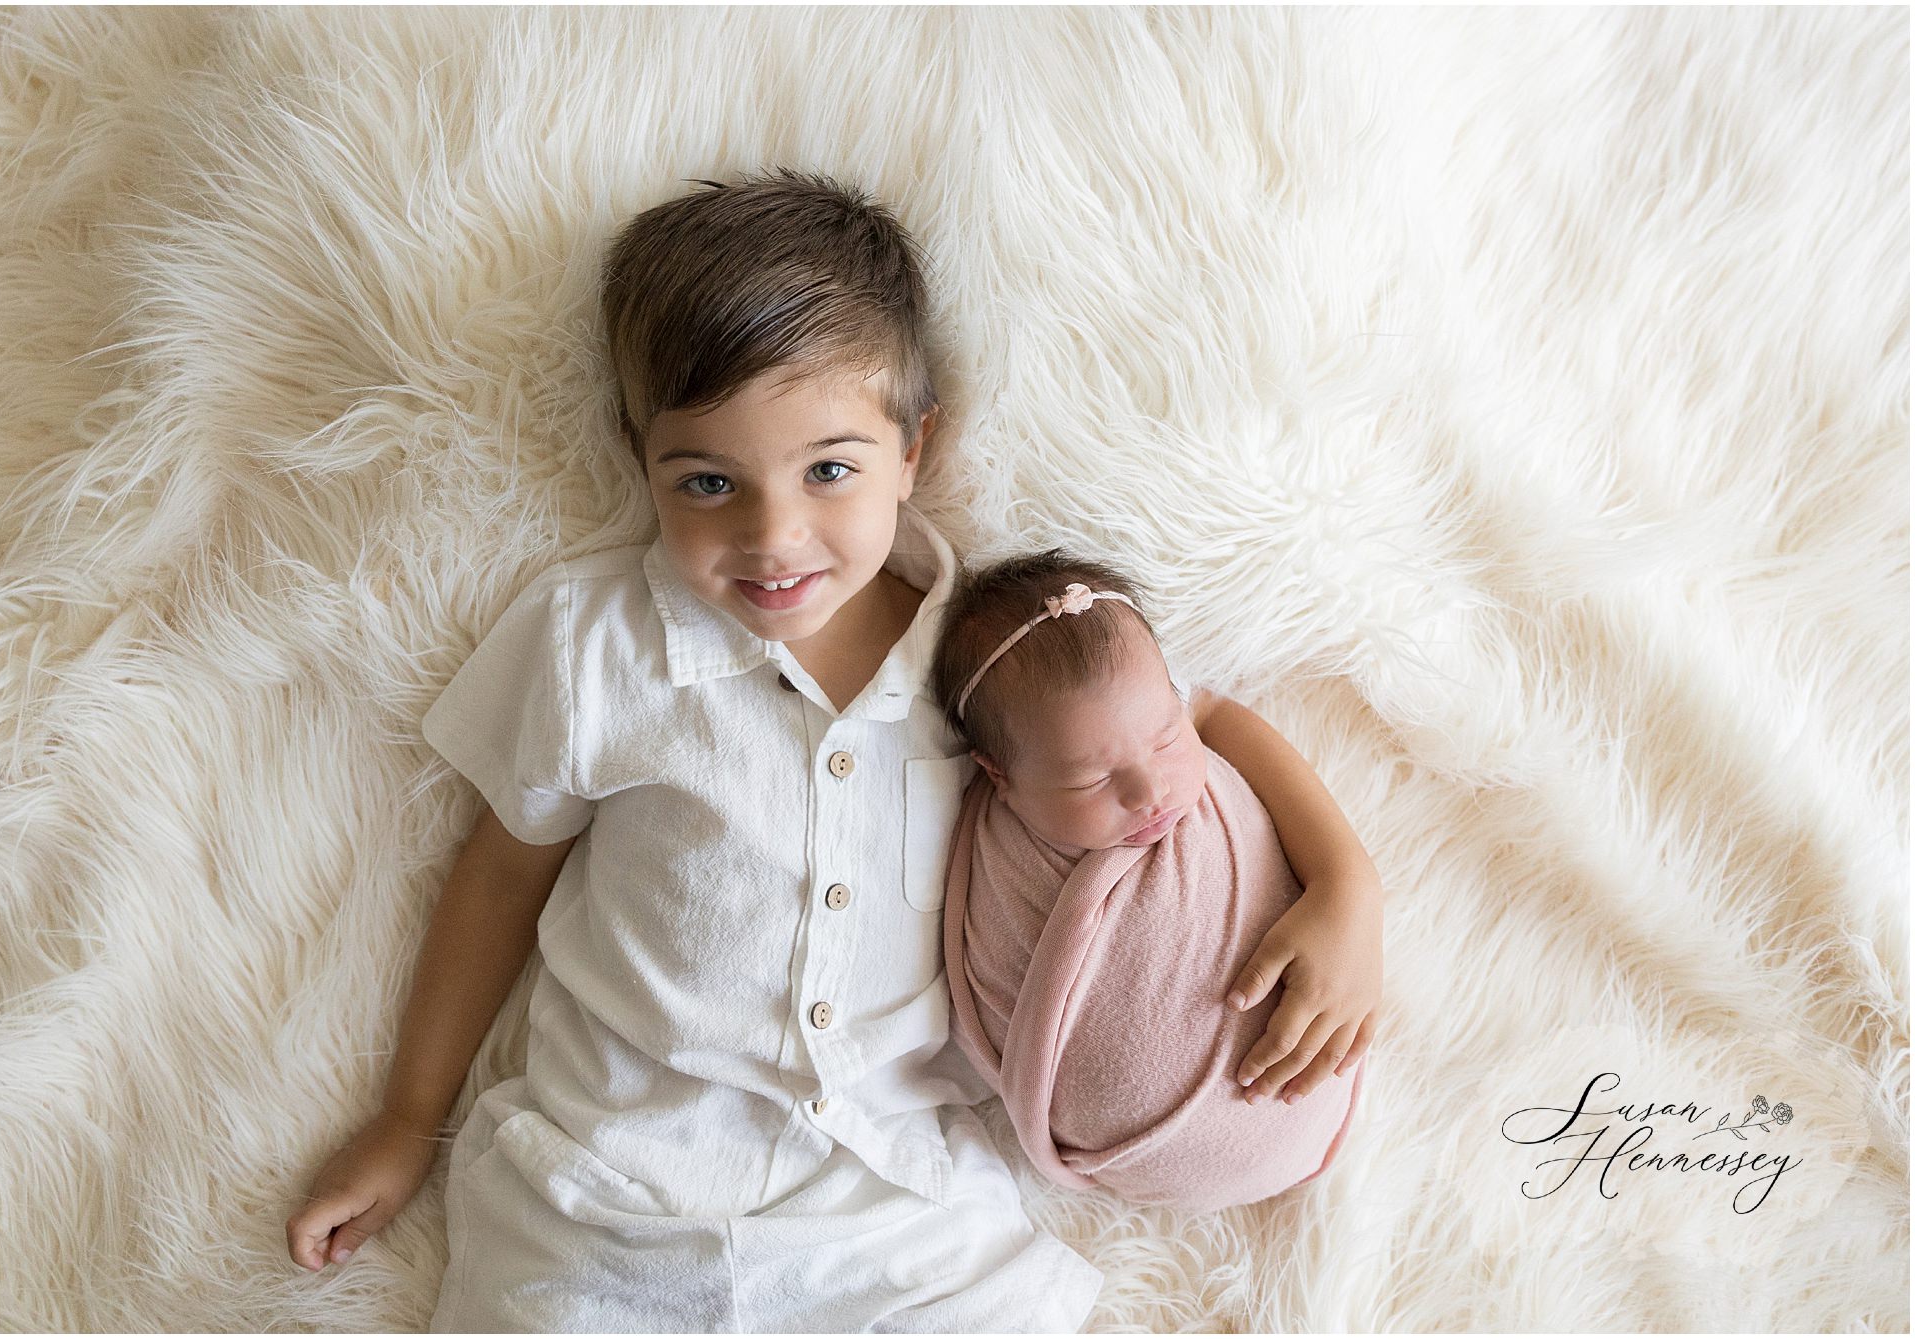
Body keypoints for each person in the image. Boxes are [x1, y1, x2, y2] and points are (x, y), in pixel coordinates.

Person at [283, 169, 1381, 1330]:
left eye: (829, 471)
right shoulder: (594, 641)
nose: (771, 537)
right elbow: (501, 870)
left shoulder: (986, 664)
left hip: (893, 1203)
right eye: (707, 483)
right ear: (635, 457)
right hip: (607, 1195)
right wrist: (409, 1119)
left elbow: (1198, 719)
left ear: (916, 448)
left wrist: (1346, 886)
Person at [929, 550, 1369, 1214]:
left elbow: (1212, 711)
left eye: (1165, 738)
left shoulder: (1188, 723)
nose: (1148, 790)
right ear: (999, 777)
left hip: (1320, 1075)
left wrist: (1348, 889)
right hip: (1150, 1167)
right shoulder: (993, 848)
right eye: (1091, 779)